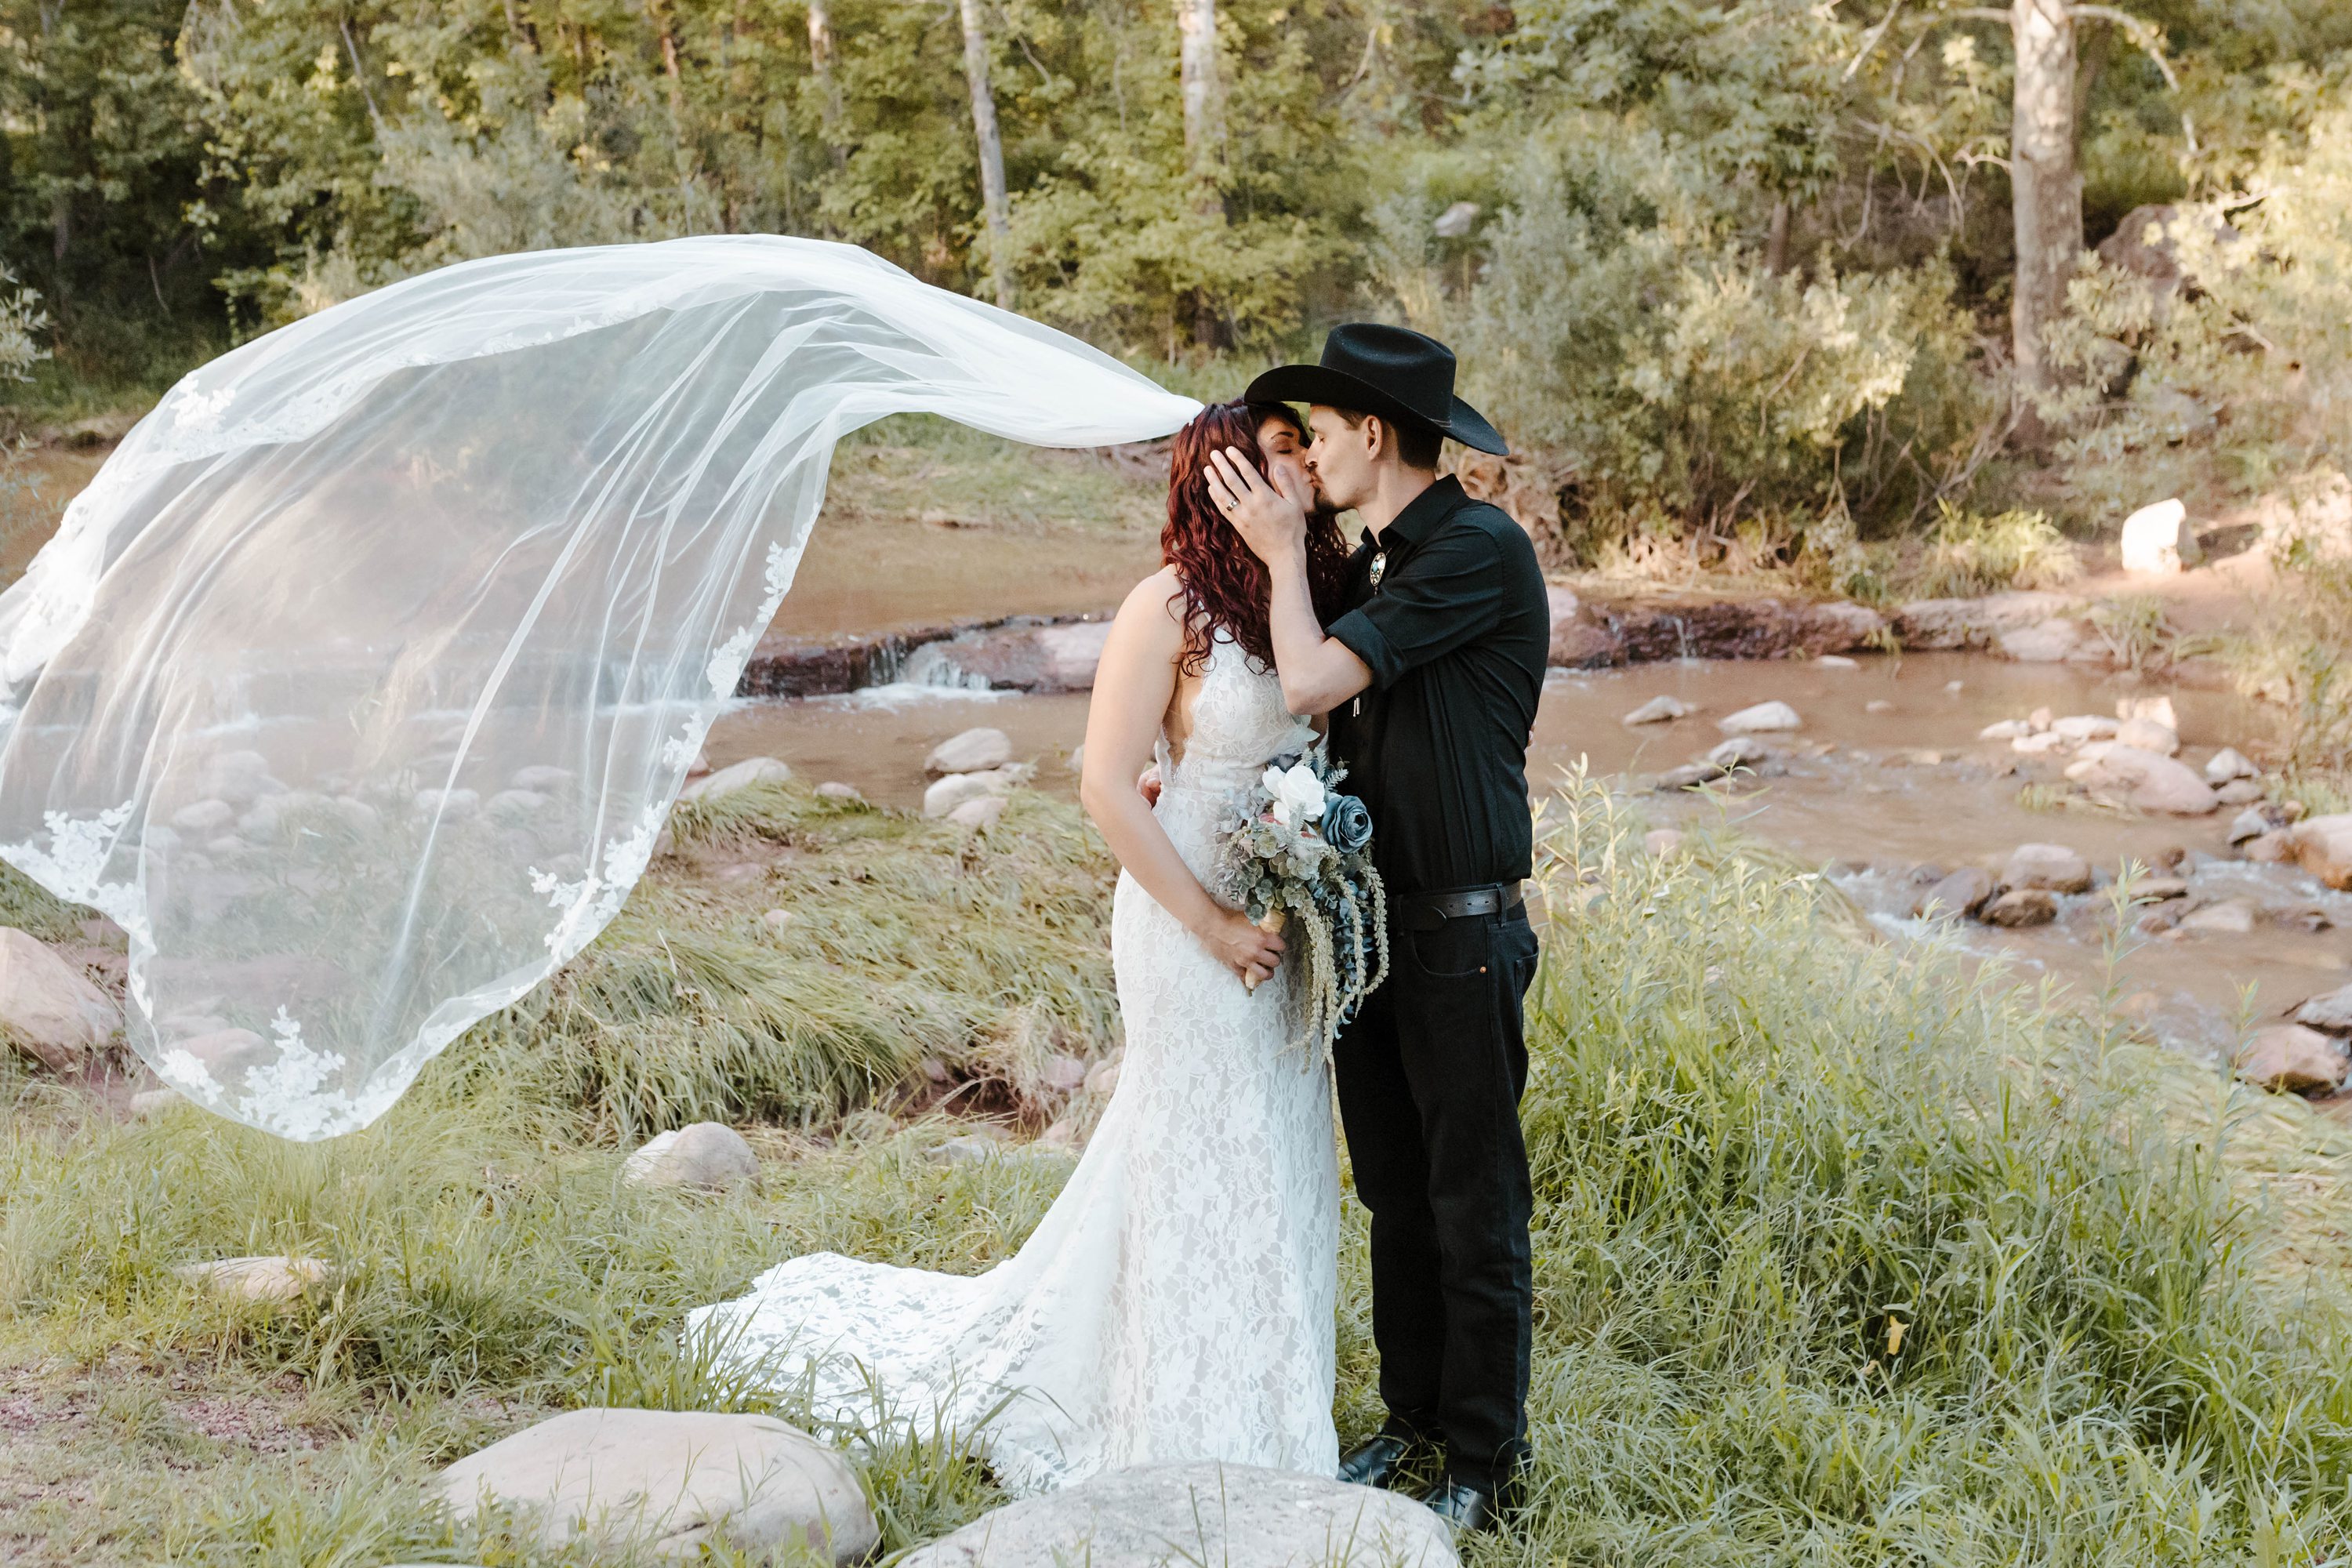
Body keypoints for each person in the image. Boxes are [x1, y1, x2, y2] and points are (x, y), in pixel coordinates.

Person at [691, 400, 1357, 1495]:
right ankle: (1169, 1404)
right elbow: (1107, 786)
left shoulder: (1316, 595)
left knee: (1272, 1150)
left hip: (1281, 922)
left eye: (1304, 450)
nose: (1305, 465)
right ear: (1230, 477)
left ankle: (1263, 1388)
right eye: (1282, 452)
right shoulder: (1170, 607)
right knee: (1195, 1149)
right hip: (1189, 922)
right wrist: (1214, 924)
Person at [1205, 323, 1550, 1534]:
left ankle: (1485, 1466)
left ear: (1373, 433)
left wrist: (1286, 550)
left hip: (1458, 932)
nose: (1312, 461)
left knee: (1472, 1201)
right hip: (1370, 937)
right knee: (1395, 1198)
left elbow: (1310, 682)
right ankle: (1411, 1425)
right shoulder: (1389, 562)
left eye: (1322, 432)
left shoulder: (1475, 550)